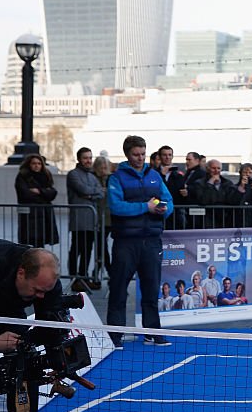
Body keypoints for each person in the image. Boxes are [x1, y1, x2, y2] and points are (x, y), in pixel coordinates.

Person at [106, 135, 174, 348]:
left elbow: (169, 200)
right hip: (126, 242)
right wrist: (146, 207)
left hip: (152, 241)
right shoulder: (116, 178)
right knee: (118, 289)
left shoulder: (154, 175)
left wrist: (164, 209)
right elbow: (116, 207)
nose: (140, 158)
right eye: (136, 154)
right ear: (127, 154)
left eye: (143, 154)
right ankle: (115, 335)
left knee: (152, 288)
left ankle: (152, 332)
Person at [0, 242, 63, 412]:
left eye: (45, 291)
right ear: (21, 273)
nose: (40, 297)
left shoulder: (48, 285)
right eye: (36, 290)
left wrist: (56, 361)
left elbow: (51, 327)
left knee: (26, 359)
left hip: (11, 309)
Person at [67, 147, 105, 291]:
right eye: (85, 158)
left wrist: (91, 194)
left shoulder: (92, 176)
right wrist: (92, 193)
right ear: (79, 159)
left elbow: (100, 193)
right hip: (78, 220)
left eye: (90, 158)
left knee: (87, 250)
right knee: (76, 250)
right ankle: (74, 278)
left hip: (91, 221)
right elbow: (83, 189)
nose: (88, 161)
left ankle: (83, 276)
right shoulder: (73, 174)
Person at [15, 153, 59, 249]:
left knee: (41, 243)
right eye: (34, 163)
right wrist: (44, 194)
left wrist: (39, 191)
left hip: (44, 214)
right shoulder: (23, 176)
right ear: (29, 164)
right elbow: (25, 194)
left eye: (39, 163)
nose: (37, 166)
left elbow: (53, 193)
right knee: (28, 243)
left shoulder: (46, 176)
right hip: (30, 215)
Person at [191, 159, 240, 229]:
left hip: (225, 219)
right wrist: (210, 184)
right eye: (213, 168)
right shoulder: (199, 183)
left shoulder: (227, 183)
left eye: (218, 168)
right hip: (207, 220)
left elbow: (232, 200)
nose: (216, 171)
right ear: (207, 169)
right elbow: (203, 200)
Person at [92, 155, 114, 280]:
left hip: (110, 216)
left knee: (104, 246)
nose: (103, 169)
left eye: (105, 167)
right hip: (99, 217)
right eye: (100, 167)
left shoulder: (111, 178)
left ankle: (100, 271)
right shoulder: (93, 178)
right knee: (101, 246)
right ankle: (106, 270)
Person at [155, 146, 186, 230]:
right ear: (160, 156)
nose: (167, 157)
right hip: (158, 209)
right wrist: (162, 175)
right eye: (164, 155)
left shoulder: (179, 175)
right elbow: (155, 189)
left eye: (169, 155)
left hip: (175, 211)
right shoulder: (153, 173)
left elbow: (178, 192)